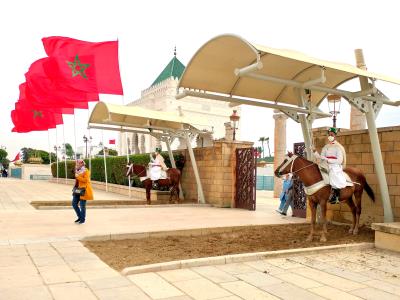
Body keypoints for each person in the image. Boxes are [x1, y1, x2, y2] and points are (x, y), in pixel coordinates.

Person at [314, 127, 347, 204]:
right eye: (329, 135)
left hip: (335, 166)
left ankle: (336, 196)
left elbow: (339, 161)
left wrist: (328, 160)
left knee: (333, 174)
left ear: (335, 136)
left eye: (331, 134)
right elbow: (321, 157)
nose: (330, 136)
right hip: (325, 164)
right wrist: (314, 152)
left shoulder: (338, 147)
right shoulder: (326, 147)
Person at [72, 159, 93, 224]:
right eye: (76, 164)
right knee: (74, 203)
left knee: (82, 205)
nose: (76, 165)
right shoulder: (77, 171)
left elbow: (86, 180)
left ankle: (82, 219)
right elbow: (77, 181)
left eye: (78, 164)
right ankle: (80, 217)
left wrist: (78, 177)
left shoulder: (86, 171)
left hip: (83, 190)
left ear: (82, 164)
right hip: (77, 190)